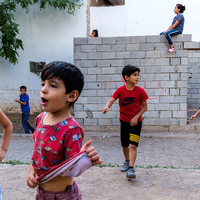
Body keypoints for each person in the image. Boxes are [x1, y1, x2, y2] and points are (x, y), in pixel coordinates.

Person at [27, 61, 102, 200]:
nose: (44, 89)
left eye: (53, 85)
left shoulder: (71, 129)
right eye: (43, 84)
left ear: (71, 96)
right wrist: (32, 172)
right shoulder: (40, 119)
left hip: (63, 196)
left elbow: (72, 170)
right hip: (42, 194)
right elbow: (37, 153)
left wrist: (85, 159)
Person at [102, 65, 148, 179]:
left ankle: (131, 168)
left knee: (133, 145)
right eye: (134, 75)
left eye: (138, 75)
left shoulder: (140, 91)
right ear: (126, 77)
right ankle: (127, 161)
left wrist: (136, 117)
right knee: (124, 144)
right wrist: (106, 107)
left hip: (136, 123)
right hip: (124, 121)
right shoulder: (120, 90)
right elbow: (111, 100)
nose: (137, 77)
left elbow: (145, 107)